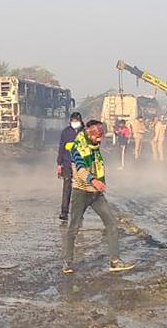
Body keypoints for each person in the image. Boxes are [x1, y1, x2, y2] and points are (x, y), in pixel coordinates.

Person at [62, 120, 136, 274]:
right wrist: (94, 180)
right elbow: (80, 169)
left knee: (111, 224)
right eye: (97, 136)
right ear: (89, 133)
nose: (100, 139)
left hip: (96, 194)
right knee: (74, 228)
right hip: (81, 192)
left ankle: (115, 261)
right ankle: (67, 262)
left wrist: (98, 184)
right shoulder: (77, 147)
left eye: (101, 135)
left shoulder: (94, 147)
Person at [56, 111, 84, 222]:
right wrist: (59, 164)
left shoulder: (85, 132)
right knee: (67, 188)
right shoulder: (66, 132)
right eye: (73, 121)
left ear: (80, 121)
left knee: (80, 190)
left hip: (81, 164)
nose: (74, 123)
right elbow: (61, 148)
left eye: (76, 121)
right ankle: (64, 212)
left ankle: (78, 213)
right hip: (67, 163)